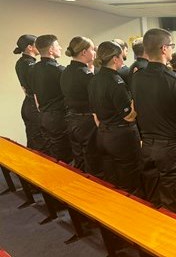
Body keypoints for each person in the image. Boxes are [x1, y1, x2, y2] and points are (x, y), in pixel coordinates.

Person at [131, 29, 176, 214]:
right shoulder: (175, 80)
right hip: (171, 149)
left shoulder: (137, 77)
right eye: (171, 46)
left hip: (147, 146)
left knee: (154, 200)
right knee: (174, 204)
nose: (172, 49)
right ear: (164, 49)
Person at [88, 41, 142, 195]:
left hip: (103, 134)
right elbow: (129, 117)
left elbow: (95, 115)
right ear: (114, 59)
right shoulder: (116, 82)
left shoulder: (94, 80)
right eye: (121, 57)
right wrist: (137, 100)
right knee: (130, 182)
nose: (123, 61)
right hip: (121, 138)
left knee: (111, 181)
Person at [60, 36, 101, 175]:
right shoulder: (85, 75)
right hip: (86, 122)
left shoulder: (65, 71)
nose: (95, 52)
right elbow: (96, 99)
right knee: (93, 160)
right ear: (84, 52)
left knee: (80, 160)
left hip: (71, 120)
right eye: (92, 49)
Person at [30, 34, 72, 163]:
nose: (60, 47)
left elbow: (35, 94)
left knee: (50, 155)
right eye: (57, 45)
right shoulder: (60, 70)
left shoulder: (33, 69)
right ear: (50, 50)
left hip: (43, 116)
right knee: (64, 157)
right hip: (58, 118)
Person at [13, 34, 45, 152]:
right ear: (29, 47)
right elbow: (35, 89)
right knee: (39, 145)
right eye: (37, 44)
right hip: (34, 106)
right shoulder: (30, 65)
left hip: (28, 105)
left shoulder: (20, 62)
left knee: (33, 141)